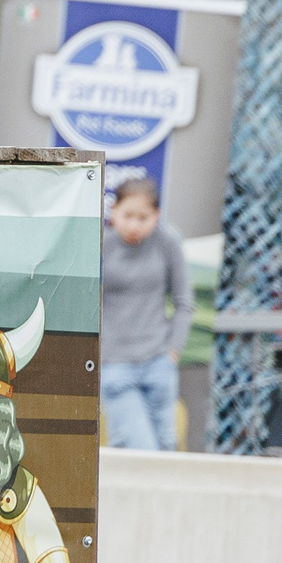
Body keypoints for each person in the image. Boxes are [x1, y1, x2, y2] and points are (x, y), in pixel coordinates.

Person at [99, 177, 189, 450]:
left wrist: (173, 350)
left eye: (143, 217)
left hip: (159, 362)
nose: (134, 225)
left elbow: (184, 302)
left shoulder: (167, 242)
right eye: (127, 216)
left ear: (156, 216)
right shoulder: (101, 245)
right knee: (138, 446)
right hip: (115, 365)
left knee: (166, 445)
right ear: (113, 211)